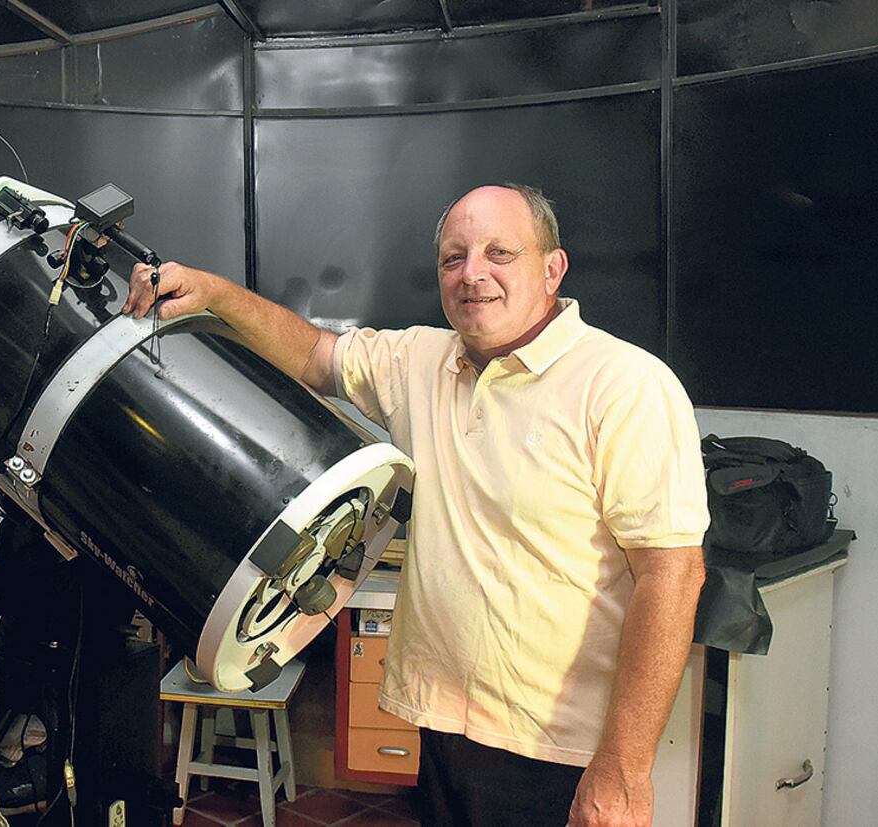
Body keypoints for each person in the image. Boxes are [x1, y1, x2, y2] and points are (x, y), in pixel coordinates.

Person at [123, 184, 708, 827]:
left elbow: (672, 576)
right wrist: (215, 293)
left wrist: (622, 771)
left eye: (499, 253)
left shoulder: (625, 386)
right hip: (446, 730)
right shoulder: (422, 360)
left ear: (552, 268)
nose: (472, 274)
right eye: (453, 258)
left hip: (555, 753)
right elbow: (317, 356)